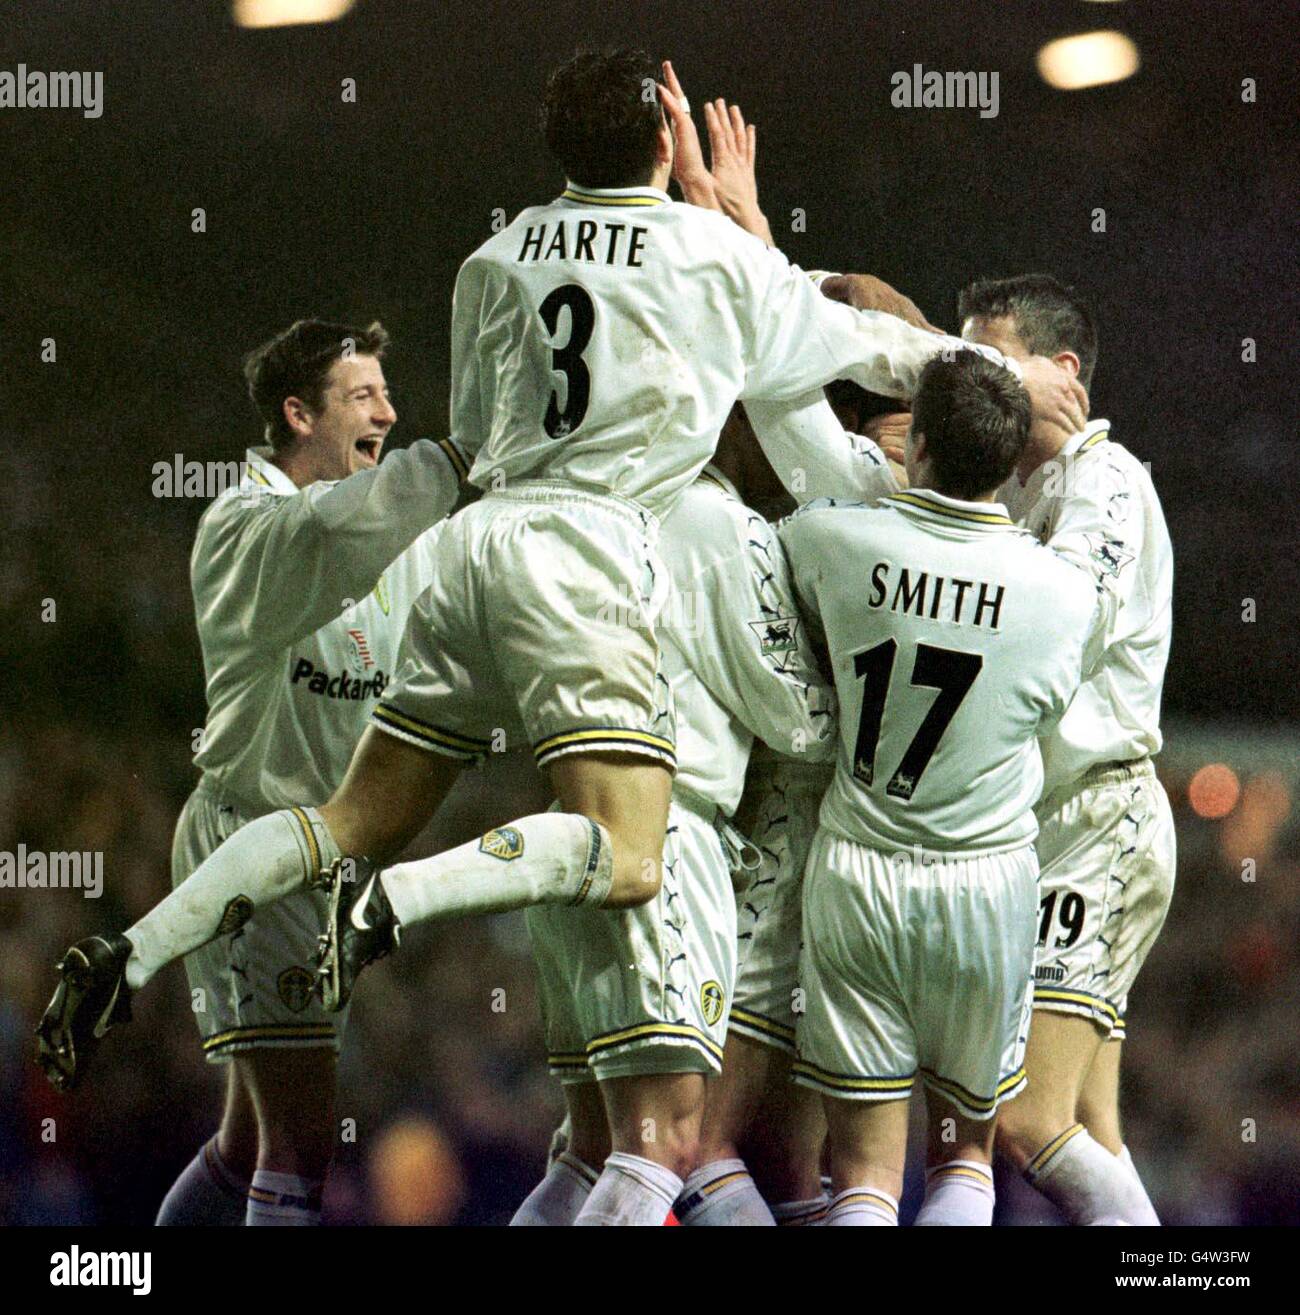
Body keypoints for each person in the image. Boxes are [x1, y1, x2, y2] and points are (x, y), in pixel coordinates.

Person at [38, 52, 1083, 1226]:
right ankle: (393, 904)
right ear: (662, 138)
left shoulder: (492, 259)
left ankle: (133, 952)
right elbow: (869, 354)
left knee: (350, 821)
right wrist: (1002, 376)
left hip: (478, 547)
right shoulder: (715, 287)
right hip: (590, 565)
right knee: (643, 942)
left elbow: (480, 439)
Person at [37, 318, 467, 1227]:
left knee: (247, 1142)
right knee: (299, 1149)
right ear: (297, 412)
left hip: (319, 857)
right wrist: (456, 459)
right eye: (363, 395)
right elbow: (337, 534)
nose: (388, 410)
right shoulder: (245, 524)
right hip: (256, 839)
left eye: (389, 393)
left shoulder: (372, 534)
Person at [780, 348, 1104, 1226]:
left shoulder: (829, 539)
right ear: (1009, 463)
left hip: (858, 876)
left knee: (864, 1177)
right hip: (983, 888)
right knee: (965, 1153)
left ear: (914, 442)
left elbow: (781, 409)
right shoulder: (1064, 596)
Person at [513, 408, 835, 1225]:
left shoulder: (597, 500)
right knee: (666, 1148)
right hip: (664, 836)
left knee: (590, 1149)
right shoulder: (723, 526)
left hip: (572, 832)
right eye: (786, 420)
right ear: (732, 420)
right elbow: (795, 713)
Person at [961, 274, 1175, 1224]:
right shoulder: (1017, 489)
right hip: (1054, 829)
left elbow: (1056, 625)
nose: (972, 381)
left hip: (1100, 820)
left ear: (1062, 372)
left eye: (989, 358)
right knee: (1090, 1122)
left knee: (1023, 1121)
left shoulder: (1107, 482)